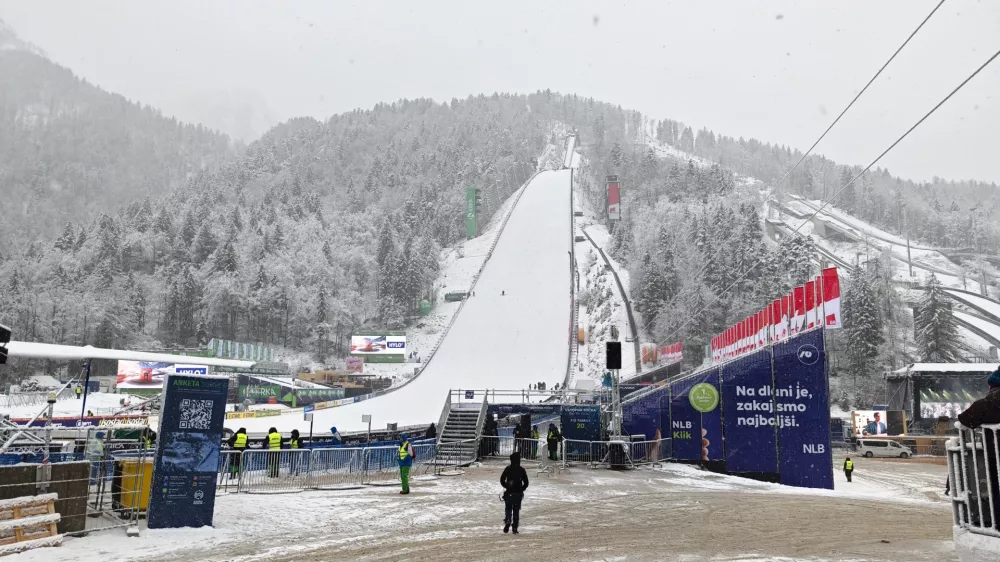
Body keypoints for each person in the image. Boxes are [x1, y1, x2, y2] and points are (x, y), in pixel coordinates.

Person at [500, 452, 529, 534]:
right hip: (518, 493)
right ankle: (515, 526)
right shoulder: (522, 470)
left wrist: (506, 486)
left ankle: (508, 519)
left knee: (508, 508)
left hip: (509, 493)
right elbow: (526, 482)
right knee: (516, 510)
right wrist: (522, 489)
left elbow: (502, 479)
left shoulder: (508, 468)